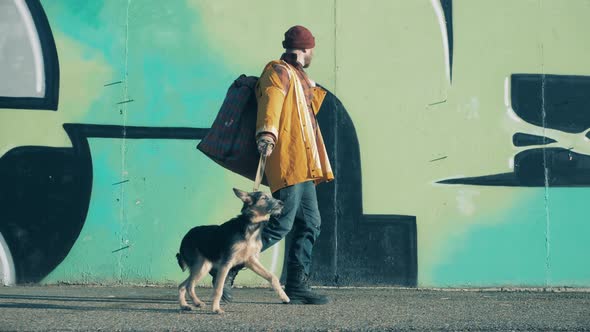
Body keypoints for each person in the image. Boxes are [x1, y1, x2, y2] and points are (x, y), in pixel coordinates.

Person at [212, 25, 334, 305]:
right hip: (289, 161)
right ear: (305, 48)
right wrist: (267, 133)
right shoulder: (277, 71)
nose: (313, 52)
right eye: (312, 48)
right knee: (281, 223)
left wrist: (311, 90)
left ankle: (296, 284)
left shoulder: (298, 76)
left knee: (311, 223)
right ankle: (226, 267)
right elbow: (272, 103)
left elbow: (302, 118)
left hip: (304, 163)